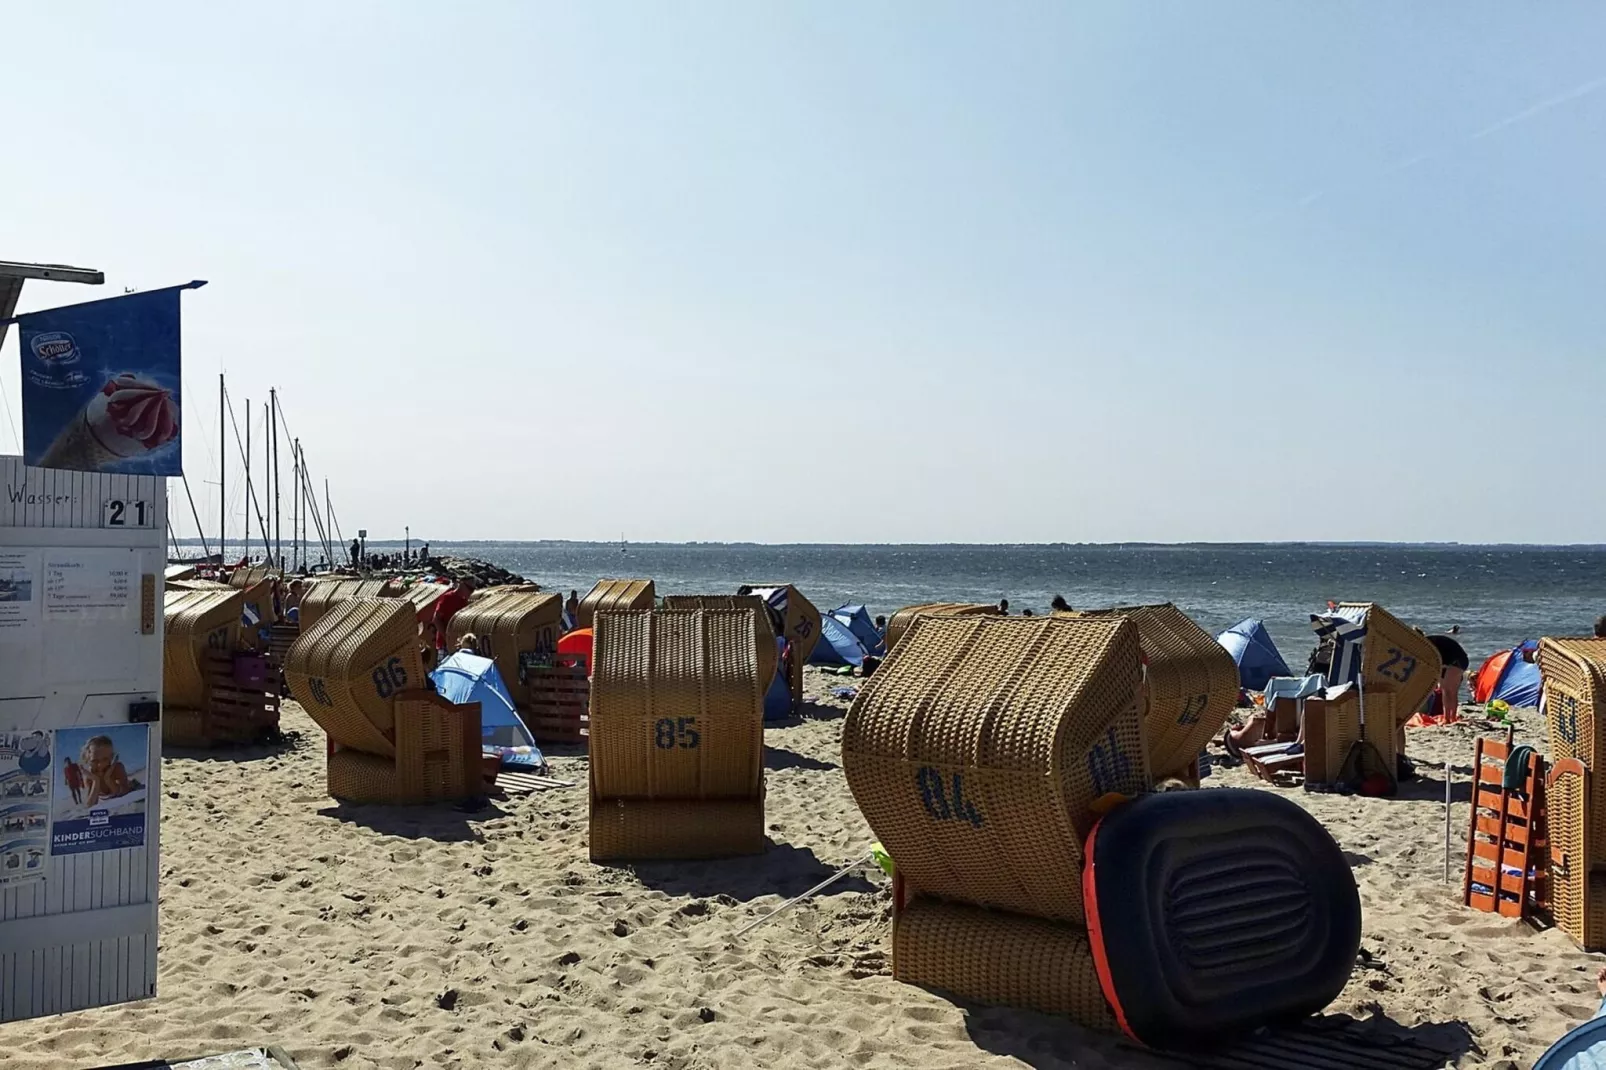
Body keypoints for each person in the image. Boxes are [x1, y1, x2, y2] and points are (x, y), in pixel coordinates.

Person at [80, 736, 134, 806]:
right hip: (106, 796)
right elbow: (90, 804)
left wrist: (107, 778)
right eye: (94, 761)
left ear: (111, 757)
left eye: (105, 759)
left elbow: (123, 793)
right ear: (87, 760)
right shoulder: (90, 776)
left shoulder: (117, 768)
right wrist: (96, 781)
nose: (100, 765)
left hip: (128, 785)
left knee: (132, 783)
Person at [431, 576, 475, 649]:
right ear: (461, 583)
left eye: (473, 590)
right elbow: (436, 619)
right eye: (470, 589)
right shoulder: (448, 598)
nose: (471, 592)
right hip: (445, 644)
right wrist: (447, 638)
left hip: (457, 643)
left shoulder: (464, 602)